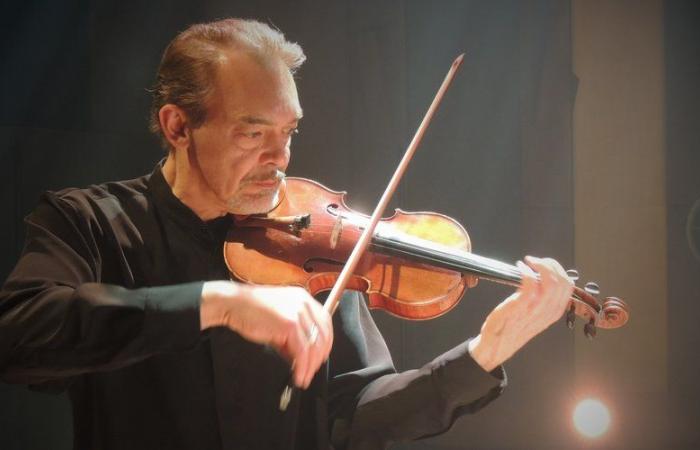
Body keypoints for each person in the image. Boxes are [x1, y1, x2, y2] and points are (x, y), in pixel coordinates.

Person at [0, 18, 574, 450]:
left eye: (289, 131)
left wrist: (483, 353)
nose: (280, 159)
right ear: (178, 126)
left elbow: (353, 414)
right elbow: (19, 337)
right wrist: (215, 302)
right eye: (253, 134)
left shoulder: (312, 250)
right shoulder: (89, 222)